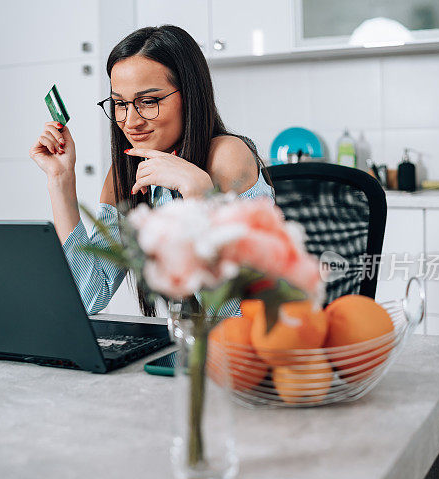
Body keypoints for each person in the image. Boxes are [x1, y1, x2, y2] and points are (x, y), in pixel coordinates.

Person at [29, 25, 274, 316]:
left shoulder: (226, 156)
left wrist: (198, 196)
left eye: (148, 101)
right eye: (120, 103)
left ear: (190, 95)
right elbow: (89, 295)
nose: (131, 121)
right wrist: (61, 180)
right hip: (173, 353)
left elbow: (231, 313)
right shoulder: (128, 171)